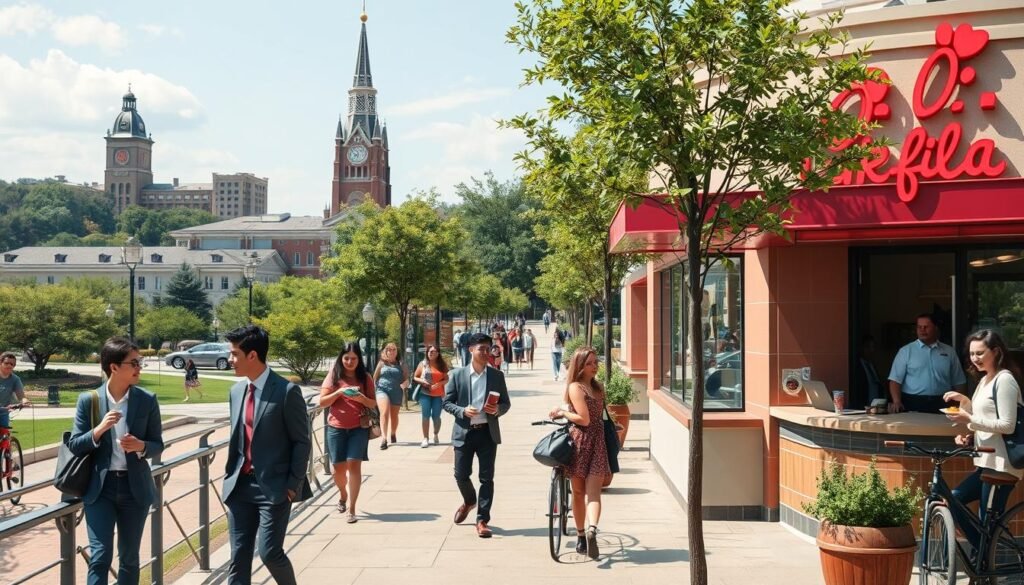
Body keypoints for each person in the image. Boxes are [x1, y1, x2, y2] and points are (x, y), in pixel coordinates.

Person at [68, 337, 164, 585]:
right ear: (114, 367)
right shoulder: (89, 400)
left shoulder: (147, 400)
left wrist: (141, 446)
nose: (139, 367)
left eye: (139, 362)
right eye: (134, 362)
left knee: (130, 558)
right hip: (101, 490)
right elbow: (76, 445)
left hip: (136, 489)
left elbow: (157, 444)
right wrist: (99, 429)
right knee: (100, 556)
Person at [222, 325, 312, 585]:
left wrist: (292, 485)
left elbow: (301, 441)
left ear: (252, 356)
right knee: (238, 557)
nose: (230, 360)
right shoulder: (236, 391)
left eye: (235, 354)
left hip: (274, 488)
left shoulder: (286, 392)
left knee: (269, 552)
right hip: (240, 486)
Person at [943, 329, 1023, 551]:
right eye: (971, 354)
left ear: (996, 352)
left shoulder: (1004, 380)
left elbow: (1006, 425)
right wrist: (970, 434)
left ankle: (984, 564)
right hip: (985, 464)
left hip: (1001, 465)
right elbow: (985, 419)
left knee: (987, 525)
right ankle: (983, 558)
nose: (974, 358)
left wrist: (968, 418)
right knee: (953, 500)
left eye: (980, 353)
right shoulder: (984, 380)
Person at [442, 332, 511, 538]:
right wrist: (462, 411)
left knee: (486, 478)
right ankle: (469, 500)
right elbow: (446, 402)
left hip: (487, 434)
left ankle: (482, 520)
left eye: (488, 349)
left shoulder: (497, 376)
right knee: (461, 474)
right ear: (470, 349)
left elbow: (506, 403)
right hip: (464, 432)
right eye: (480, 348)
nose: (485, 352)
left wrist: (498, 410)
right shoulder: (457, 375)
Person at [549, 347, 610, 559]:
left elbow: (584, 419)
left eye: (595, 362)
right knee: (594, 493)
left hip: (581, 442)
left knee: (578, 492)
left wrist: (563, 412)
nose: (595, 366)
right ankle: (593, 527)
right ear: (580, 366)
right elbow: (598, 416)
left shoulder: (576, 387)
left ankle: (583, 535)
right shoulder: (598, 388)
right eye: (590, 363)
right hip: (598, 442)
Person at [320, 342, 377, 523]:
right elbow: (322, 402)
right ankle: (343, 494)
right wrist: (340, 392)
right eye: (346, 358)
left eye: (353, 358)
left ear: (359, 359)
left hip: (358, 428)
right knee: (338, 469)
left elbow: (373, 403)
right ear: (341, 358)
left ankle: (351, 509)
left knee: (354, 465)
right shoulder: (334, 375)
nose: (350, 362)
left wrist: (361, 398)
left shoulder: (365, 377)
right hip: (336, 428)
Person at [888, 313, 967, 413]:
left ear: (935, 328)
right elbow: (895, 380)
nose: (922, 330)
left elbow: (959, 381)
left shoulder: (949, 351)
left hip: (943, 402)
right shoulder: (906, 351)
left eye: (926, 327)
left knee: (941, 429)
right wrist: (897, 401)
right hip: (913, 402)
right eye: (919, 327)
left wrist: (960, 404)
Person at [414, 345, 449, 447]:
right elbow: (415, 377)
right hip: (425, 393)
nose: (431, 353)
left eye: (433, 351)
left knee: (436, 417)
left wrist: (440, 384)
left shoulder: (442, 365)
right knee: (425, 415)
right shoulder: (423, 364)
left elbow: (447, 379)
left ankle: (435, 434)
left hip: (438, 395)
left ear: (438, 353)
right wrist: (422, 380)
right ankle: (425, 438)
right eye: (429, 351)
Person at [372, 342, 405, 450]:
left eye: (393, 349)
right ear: (385, 351)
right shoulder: (382, 363)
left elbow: (406, 378)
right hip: (382, 390)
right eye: (389, 349)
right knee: (384, 412)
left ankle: (393, 433)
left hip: (396, 391)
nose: (391, 351)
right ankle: (384, 439)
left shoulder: (401, 363)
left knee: (394, 416)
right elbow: (375, 378)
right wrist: (373, 390)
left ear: (397, 351)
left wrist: (405, 384)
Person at [0, 352, 30, 432]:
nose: (9, 366)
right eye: (6, 363)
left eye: (12, 364)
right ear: (1, 363)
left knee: (4, 437)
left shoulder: (15, 379)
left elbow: (21, 395)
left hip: (3, 413)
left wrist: (24, 401)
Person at [854, 335, 884, 408]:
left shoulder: (872, 365)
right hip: (863, 405)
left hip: (876, 405)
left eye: (873, 347)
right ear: (862, 348)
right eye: (868, 347)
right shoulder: (856, 366)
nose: (871, 350)